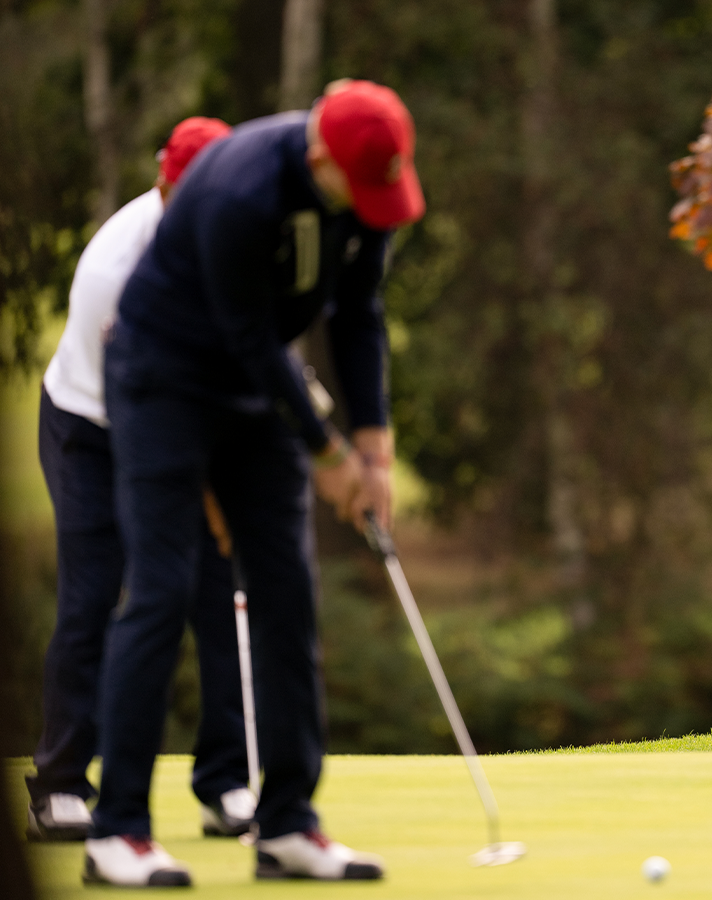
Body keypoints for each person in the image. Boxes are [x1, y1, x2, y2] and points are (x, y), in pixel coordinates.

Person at [83, 79, 423, 887]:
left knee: (287, 591)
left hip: (255, 385)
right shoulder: (240, 186)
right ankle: (117, 829)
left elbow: (358, 313)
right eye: (360, 187)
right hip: (165, 380)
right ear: (317, 157)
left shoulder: (365, 188)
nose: (373, 203)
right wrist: (327, 452)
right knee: (163, 591)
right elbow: (246, 335)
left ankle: (288, 824)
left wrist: (373, 448)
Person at [26, 116, 260, 843]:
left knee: (217, 590)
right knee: (94, 595)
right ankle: (62, 785)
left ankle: (225, 782)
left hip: (187, 415)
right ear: (165, 184)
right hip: (92, 426)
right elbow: (137, 407)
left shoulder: (238, 228)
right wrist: (201, 483)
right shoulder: (114, 270)